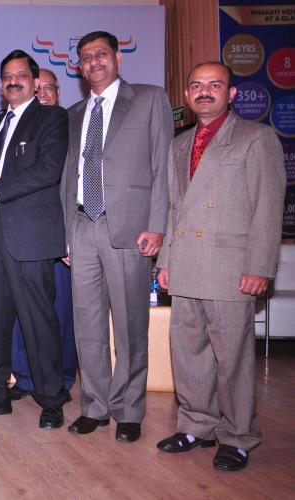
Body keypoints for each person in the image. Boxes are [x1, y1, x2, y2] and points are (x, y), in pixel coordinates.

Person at [155, 62, 284, 472]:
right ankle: (196, 425)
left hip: (231, 268)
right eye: (196, 85)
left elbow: (267, 207)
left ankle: (239, 436)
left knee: (233, 359)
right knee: (189, 353)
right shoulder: (180, 143)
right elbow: (175, 209)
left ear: (231, 94)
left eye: (214, 85)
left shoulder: (256, 138)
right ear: (189, 95)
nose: (204, 91)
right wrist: (166, 260)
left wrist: (260, 265)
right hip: (187, 265)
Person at [61, 31, 173, 443]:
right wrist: (67, 235)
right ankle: (95, 405)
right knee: (86, 324)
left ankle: (129, 409)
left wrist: (157, 225)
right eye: (86, 57)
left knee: (130, 325)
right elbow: (67, 175)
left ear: (118, 58)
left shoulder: (147, 98)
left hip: (129, 228)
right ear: (78, 65)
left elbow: (164, 166)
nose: (93, 62)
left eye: (101, 54)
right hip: (82, 227)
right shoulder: (74, 112)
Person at [0, 50, 69, 429]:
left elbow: (48, 171)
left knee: (38, 318)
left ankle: (51, 397)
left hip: (29, 234)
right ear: (0, 84)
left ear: (35, 82)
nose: (13, 81)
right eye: (7, 76)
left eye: (21, 75)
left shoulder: (52, 117)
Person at [9, 67, 77, 400]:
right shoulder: (20, 129)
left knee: (59, 313)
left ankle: (60, 378)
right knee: (24, 312)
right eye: (39, 88)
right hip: (26, 235)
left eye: (49, 88)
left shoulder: (71, 126)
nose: (43, 94)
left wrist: (69, 236)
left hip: (61, 238)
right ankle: (24, 377)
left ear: (58, 91)